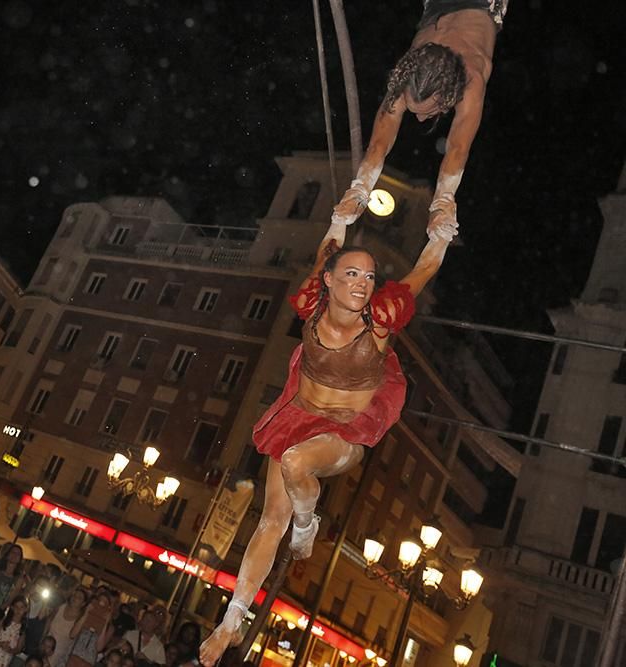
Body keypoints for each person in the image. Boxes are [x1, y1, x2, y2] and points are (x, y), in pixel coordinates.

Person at [199, 218, 451, 666]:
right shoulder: (312, 306)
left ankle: (308, 524)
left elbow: (424, 269)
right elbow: (325, 249)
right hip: (298, 420)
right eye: (351, 274)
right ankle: (231, 621)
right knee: (268, 522)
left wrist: (443, 229)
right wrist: (339, 217)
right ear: (329, 282)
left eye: (370, 276)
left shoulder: (379, 322)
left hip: (342, 435)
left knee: (296, 462)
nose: (362, 283)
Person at [331, 0, 507, 241]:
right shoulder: (406, 76)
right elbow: (379, 144)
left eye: (429, 110)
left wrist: (442, 203)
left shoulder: (471, 80)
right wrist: (359, 189)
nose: (421, 119)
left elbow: (457, 148)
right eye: (416, 110)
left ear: (448, 97)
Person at [66, 591, 114, 667]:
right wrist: (86, 613)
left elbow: (99, 648)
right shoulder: (85, 615)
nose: (101, 604)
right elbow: (72, 634)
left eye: (105, 602)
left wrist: (105, 623)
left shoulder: (109, 628)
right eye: (100, 600)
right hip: (72, 656)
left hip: (88, 662)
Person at [45, 587, 87, 667]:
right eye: (74, 595)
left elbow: (73, 635)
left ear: (83, 603)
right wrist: (43, 637)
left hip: (59, 654)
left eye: (79, 597)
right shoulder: (61, 607)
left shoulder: (81, 618)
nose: (75, 598)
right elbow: (49, 620)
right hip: (45, 645)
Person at [0, 596, 28, 667]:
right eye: (16, 607)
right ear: (12, 607)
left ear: (25, 609)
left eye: (21, 607)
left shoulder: (22, 628)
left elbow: (18, 649)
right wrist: (0, 644)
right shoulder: (4, 621)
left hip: (5, 658)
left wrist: (11, 650)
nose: (18, 610)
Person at [0, 543, 26, 609]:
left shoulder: (18, 579)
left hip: (0, 609)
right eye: (13, 552)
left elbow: (10, 600)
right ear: (7, 554)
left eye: (18, 554)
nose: (15, 555)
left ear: (20, 559)